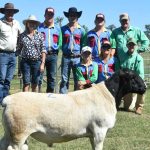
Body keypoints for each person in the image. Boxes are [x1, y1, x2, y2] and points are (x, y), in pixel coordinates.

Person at [16, 15, 46, 92]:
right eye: (30, 22)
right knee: (26, 82)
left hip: (37, 62)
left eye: (34, 23)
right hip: (25, 62)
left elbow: (43, 50)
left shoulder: (40, 35)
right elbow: (18, 48)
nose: (32, 24)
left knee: (35, 83)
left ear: (36, 24)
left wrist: (42, 63)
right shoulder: (22, 35)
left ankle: (33, 101)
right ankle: (25, 100)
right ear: (27, 24)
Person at [59, 7, 86, 94]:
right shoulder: (63, 29)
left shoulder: (82, 30)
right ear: (68, 16)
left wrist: (82, 57)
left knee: (77, 79)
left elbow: (83, 44)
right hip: (66, 57)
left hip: (77, 58)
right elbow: (60, 43)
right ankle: (63, 98)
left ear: (77, 16)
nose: (72, 17)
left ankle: (76, 97)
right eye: (71, 15)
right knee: (64, 79)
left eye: (74, 15)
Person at [115, 38, 145, 115]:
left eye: (133, 45)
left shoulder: (139, 58)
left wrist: (137, 82)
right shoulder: (122, 56)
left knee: (143, 87)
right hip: (125, 80)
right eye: (130, 44)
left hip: (135, 80)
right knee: (126, 108)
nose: (131, 46)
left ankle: (139, 107)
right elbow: (119, 70)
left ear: (135, 46)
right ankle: (117, 103)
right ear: (127, 45)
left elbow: (140, 74)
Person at [0, 3, 22, 103]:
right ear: (4, 12)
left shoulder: (17, 23)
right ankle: (0, 99)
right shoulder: (0, 22)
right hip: (2, 54)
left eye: (11, 11)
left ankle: (5, 98)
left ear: (14, 13)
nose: (10, 13)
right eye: (8, 11)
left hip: (13, 55)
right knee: (1, 78)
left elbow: (22, 35)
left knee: (8, 79)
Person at [38, 7, 62, 93]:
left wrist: (56, 51)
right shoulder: (39, 27)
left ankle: (50, 97)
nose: (50, 16)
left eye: (51, 14)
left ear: (53, 16)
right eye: (48, 14)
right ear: (44, 15)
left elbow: (60, 42)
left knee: (52, 78)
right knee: (39, 77)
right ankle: (38, 97)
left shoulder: (57, 29)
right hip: (40, 56)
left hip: (53, 55)